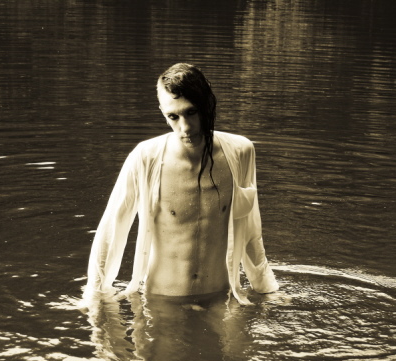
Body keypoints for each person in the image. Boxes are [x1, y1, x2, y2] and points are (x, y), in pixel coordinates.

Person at [79, 63, 278, 309]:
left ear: (206, 104)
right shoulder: (145, 157)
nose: (185, 127)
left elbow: (250, 229)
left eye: (191, 112)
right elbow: (111, 230)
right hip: (162, 299)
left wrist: (266, 289)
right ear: (162, 112)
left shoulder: (241, 152)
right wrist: (94, 296)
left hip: (220, 297)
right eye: (173, 117)